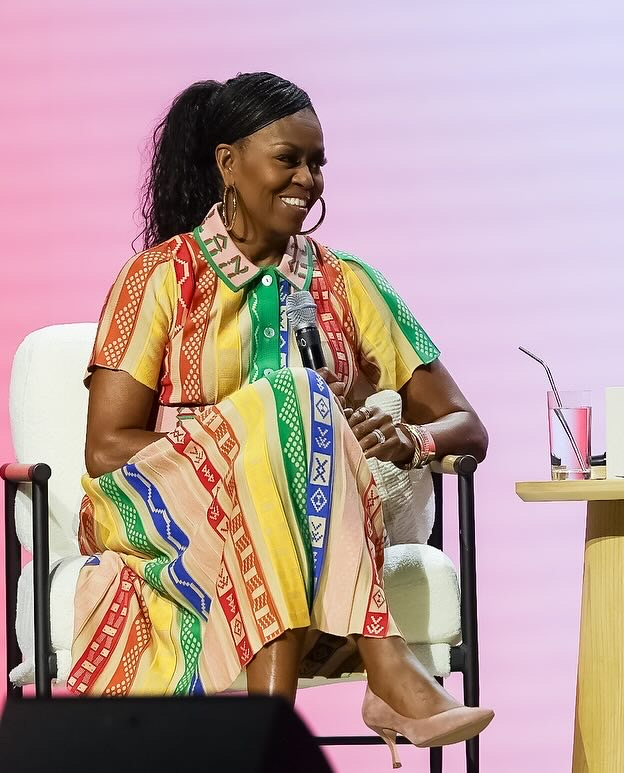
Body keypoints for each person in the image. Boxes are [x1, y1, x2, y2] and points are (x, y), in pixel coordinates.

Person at [74, 71, 492, 765]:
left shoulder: (348, 281)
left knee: (285, 474)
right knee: (288, 399)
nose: (308, 178)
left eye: (318, 162)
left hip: (310, 525)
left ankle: (267, 742)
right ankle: (386, 662)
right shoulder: (158, 278)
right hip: (166, 511)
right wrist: (249, 438)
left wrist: (411, 436)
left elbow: (466, 425)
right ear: (228, 163)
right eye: (288, 159)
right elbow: (105, 447)